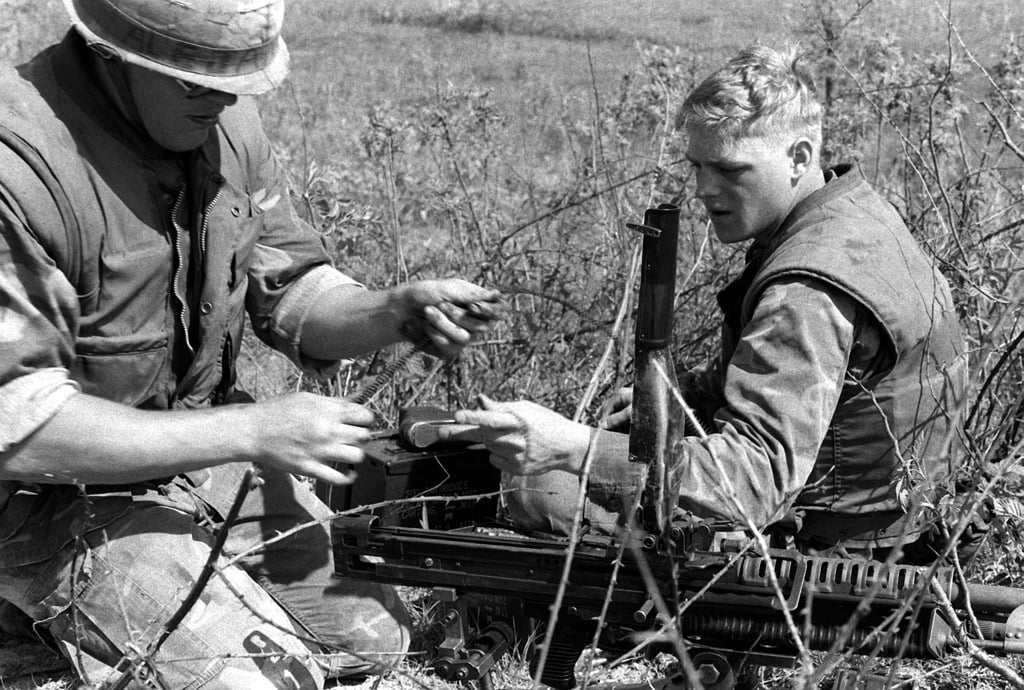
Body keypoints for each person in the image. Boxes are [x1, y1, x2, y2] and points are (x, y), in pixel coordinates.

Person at [0, 0, 501, 687]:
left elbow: (293, 289)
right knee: (263, 680)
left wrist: (392, 311)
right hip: (46, 503)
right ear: (116, 54)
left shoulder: (220, 122)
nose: (223, 100)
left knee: (376, 642)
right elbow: (20, 429)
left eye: (235, 83)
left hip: (198, 466)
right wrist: (252, 430)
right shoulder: (18, 165)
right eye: (197, 82)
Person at [442, 44, 968, 564]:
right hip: (900, 518)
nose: (702, 189)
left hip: (836, 557)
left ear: (799, 157)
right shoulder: (851, 212)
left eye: (730, 170)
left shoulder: (805, 292)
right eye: (696, 166)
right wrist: (683, 398)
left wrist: (573, 447)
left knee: (538, 488)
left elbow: (753, 485)